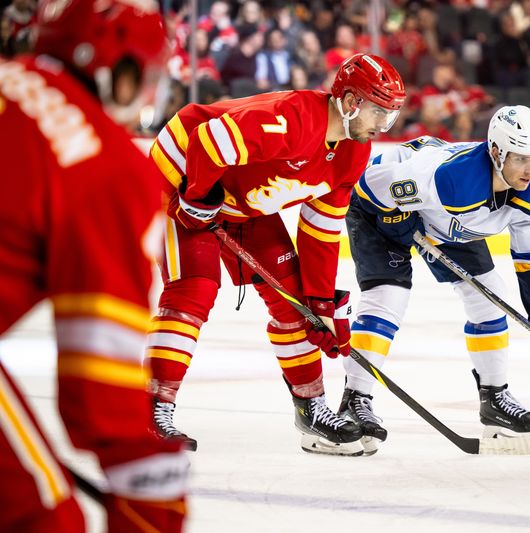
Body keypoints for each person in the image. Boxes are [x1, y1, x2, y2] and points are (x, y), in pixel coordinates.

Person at [147, 53, 406, 456]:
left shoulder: (353, 154)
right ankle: (152, 409)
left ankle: (311, 410)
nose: (381, 126)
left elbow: (320, 232)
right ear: (352, 103)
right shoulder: (296, 119)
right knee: (194, 289)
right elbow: (209, 141)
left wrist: (320, 305)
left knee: (294, 305)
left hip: (241, 203)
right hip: (184, 172)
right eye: (379, 113)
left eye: (389, 117)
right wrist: (197, 197)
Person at [0, 0, 189, 531]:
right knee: (46, 519)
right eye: (146, 77)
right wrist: (151, 493)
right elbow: (100, 376)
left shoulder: (10, 78)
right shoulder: (109, 165)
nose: (147, 95)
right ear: (116, 69)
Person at [339, 106, 530, 455]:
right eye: (521, 158)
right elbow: (367, 188)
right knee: (389, 296)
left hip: (447, 224)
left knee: (491, 295)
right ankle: (355, 399)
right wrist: (394, 221)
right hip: (381, 206)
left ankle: (495, 400)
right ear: (497, 152)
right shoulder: (454, 180)